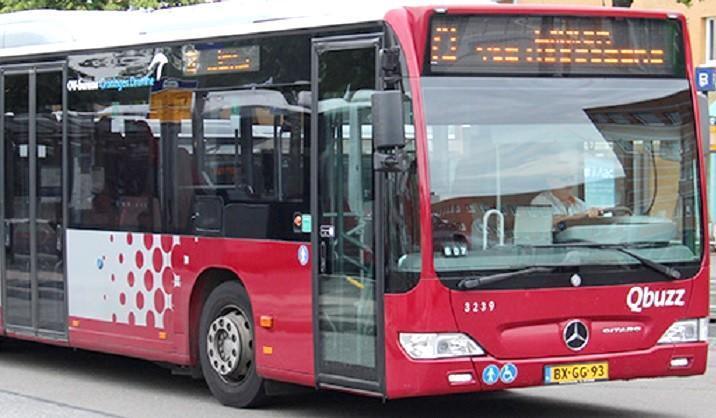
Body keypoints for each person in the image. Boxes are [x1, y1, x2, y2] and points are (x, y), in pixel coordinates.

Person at [531, 183, 602, 225]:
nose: (569, 184)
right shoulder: (540, 201)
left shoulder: (577, 202)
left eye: (571, 179)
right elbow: (546, 223)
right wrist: (579, 217)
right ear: (551, 181)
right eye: (564, 179)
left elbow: (589, 214)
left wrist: (595, 212)